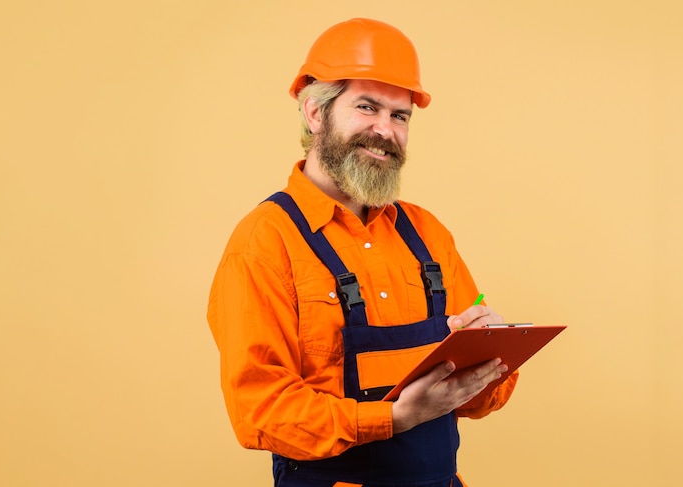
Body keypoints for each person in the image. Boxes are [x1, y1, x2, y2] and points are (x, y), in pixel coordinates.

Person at [207, 18, 518, 487]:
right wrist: (393, 418)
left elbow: (485, 396)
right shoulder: (264, 243)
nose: (385, 130)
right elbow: (261, 410)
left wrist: (492, 356)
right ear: (315, 113)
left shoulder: (428, 234)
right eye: (367, 107)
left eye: (399, 116)